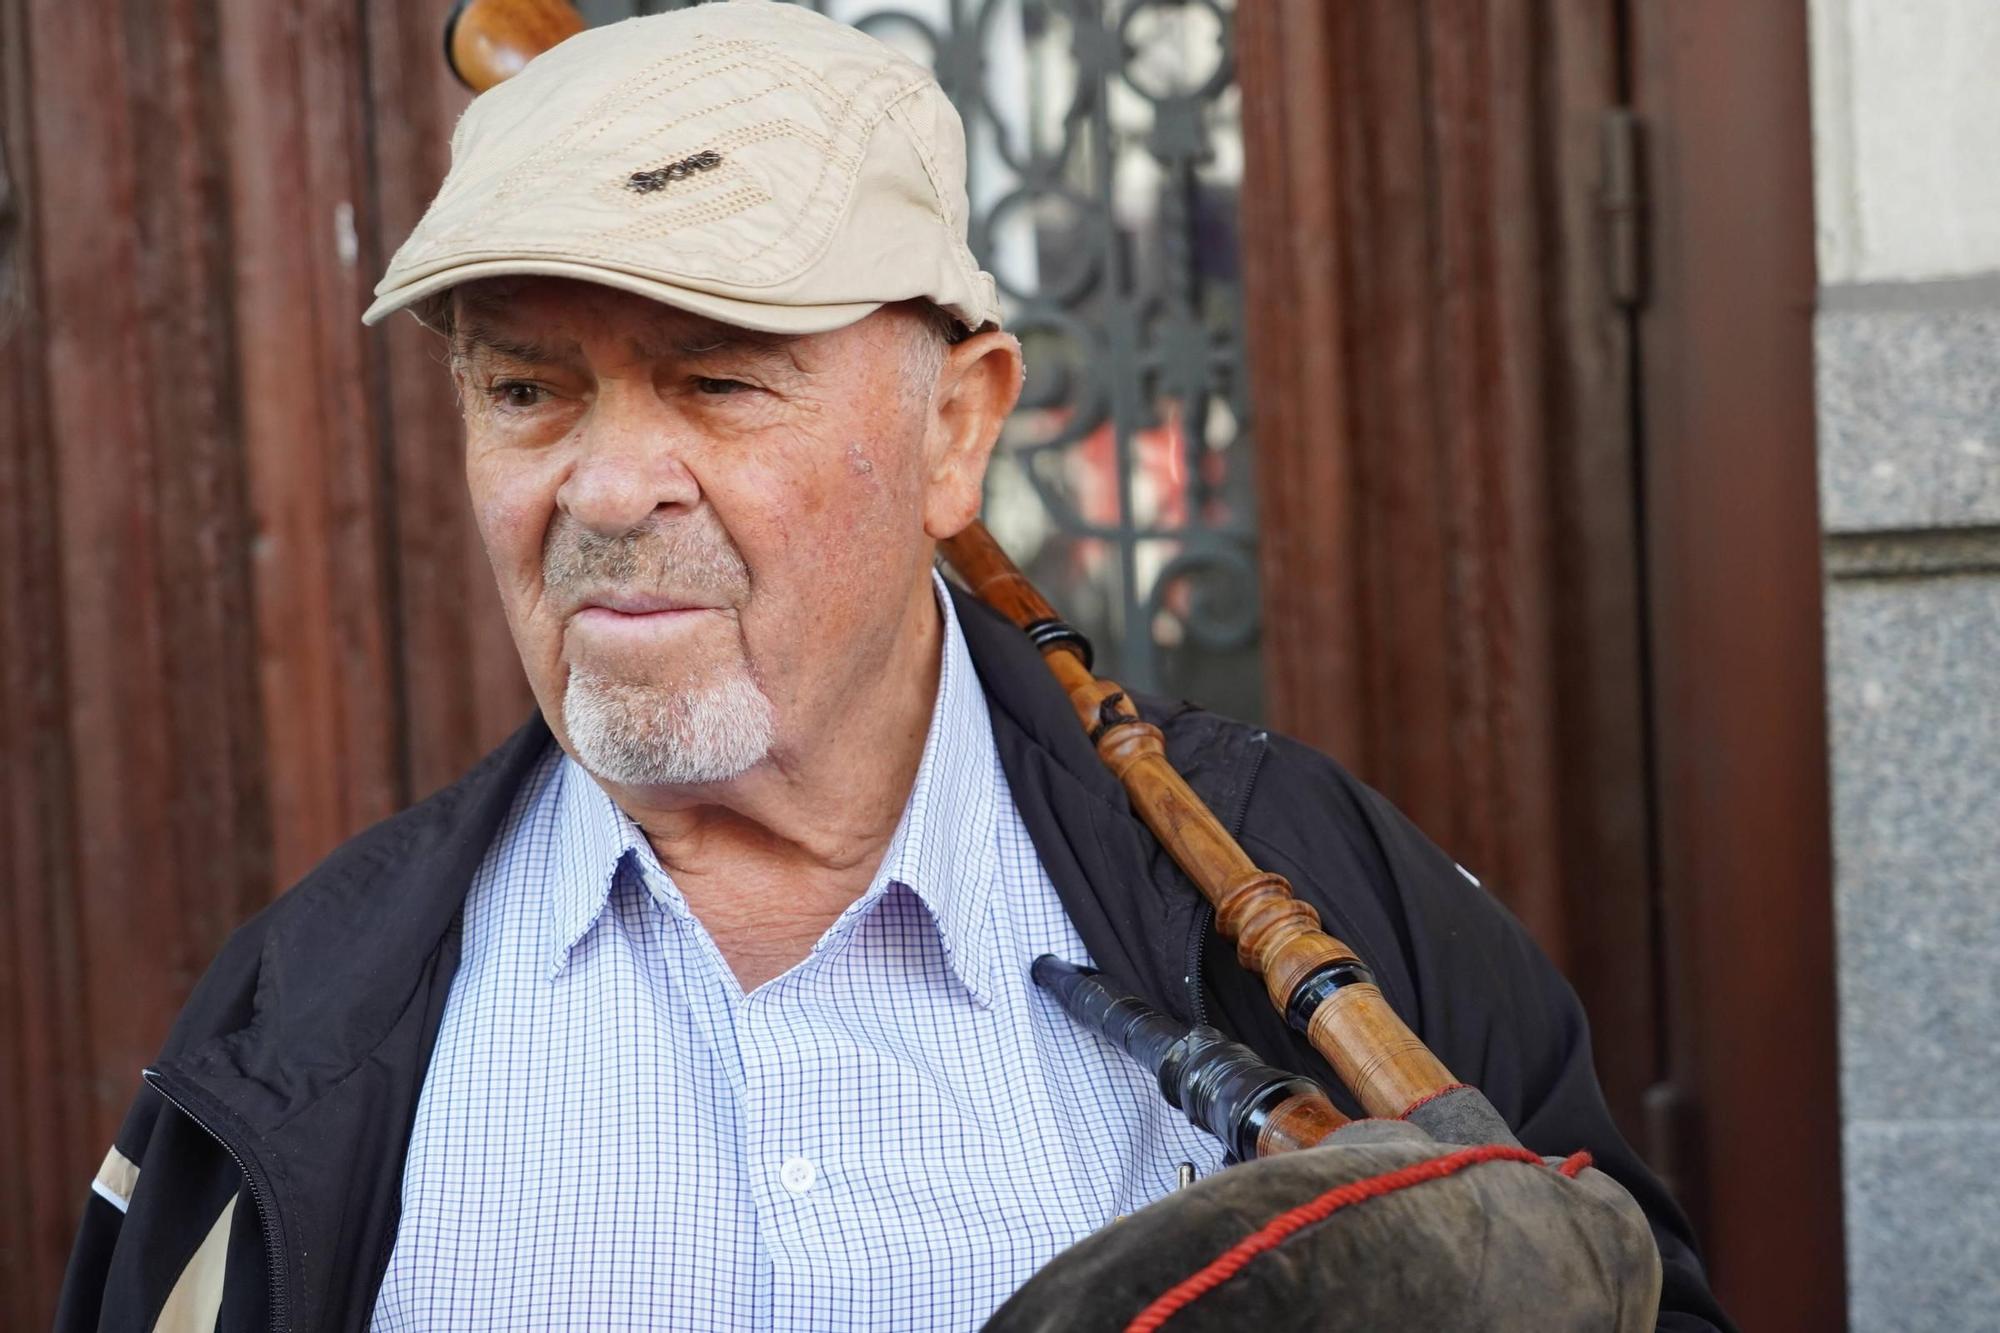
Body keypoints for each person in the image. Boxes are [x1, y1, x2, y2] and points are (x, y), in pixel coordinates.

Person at [56, 3, 1732, 1330]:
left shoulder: (1312, 891)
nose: (608, 485)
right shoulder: (301, 1020)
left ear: (958, 429)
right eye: (525, 391)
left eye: (719, 383)